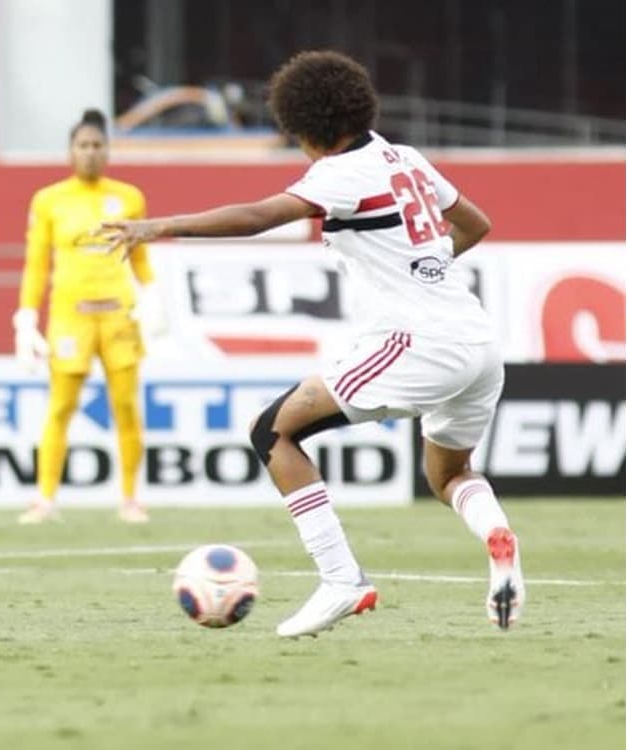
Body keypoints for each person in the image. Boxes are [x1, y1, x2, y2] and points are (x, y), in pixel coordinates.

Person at [100, 50, 524, 638]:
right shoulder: (406, 158)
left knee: (271, 431)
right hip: (478, 344)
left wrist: (159, 226)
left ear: (306, 126)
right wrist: (425, 266)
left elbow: (254, 217)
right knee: (449, 475)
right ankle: (499, 539)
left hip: (416, 343)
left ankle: (341, 579)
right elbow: (475, 225)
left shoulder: (338, 174)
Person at [13, 109, 168, 525]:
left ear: (108, 150)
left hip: (118, 315)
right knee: (60, 407)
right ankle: (44, 499)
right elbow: (36, 263)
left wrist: (152, 297)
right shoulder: (49, 200)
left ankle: (131, 499)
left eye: (98, 145)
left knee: (126, 406)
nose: (90, 152)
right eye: (83, 145)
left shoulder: (129, 197)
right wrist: (26, 319)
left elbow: (140, 256)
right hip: (70, 317)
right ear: (70, 150)